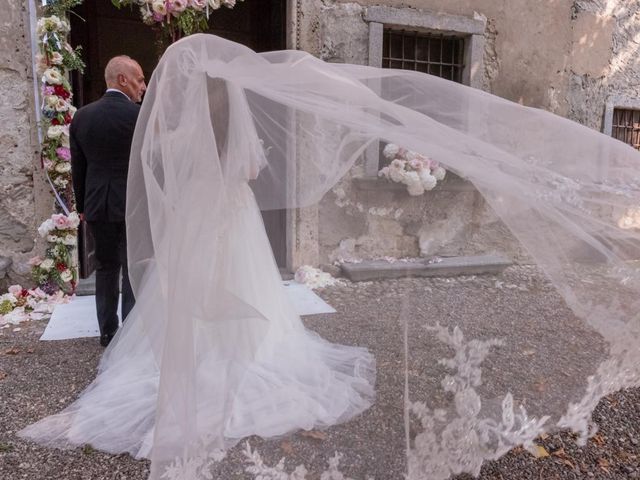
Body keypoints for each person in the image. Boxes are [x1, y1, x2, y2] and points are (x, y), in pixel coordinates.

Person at [20, 34, 640, 480]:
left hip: (196, 223)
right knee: (247, 289)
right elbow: (253, 170)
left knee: (166, 290)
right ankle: (242, 355)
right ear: (230, 92)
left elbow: (164, 176)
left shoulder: (173, 127)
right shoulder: (231, 123)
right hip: (232, 221)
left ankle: (168, 359)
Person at [70, 55, 146, 347]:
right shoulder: (139, 117)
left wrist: (82, 207)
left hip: (97, 204)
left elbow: (79, 168)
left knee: (105, 266)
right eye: (139, 79)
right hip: (132, 203)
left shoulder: (82, 116)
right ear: (122, 79)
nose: (143, 85)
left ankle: (107, 331)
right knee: (132, 267)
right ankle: (130, 333)